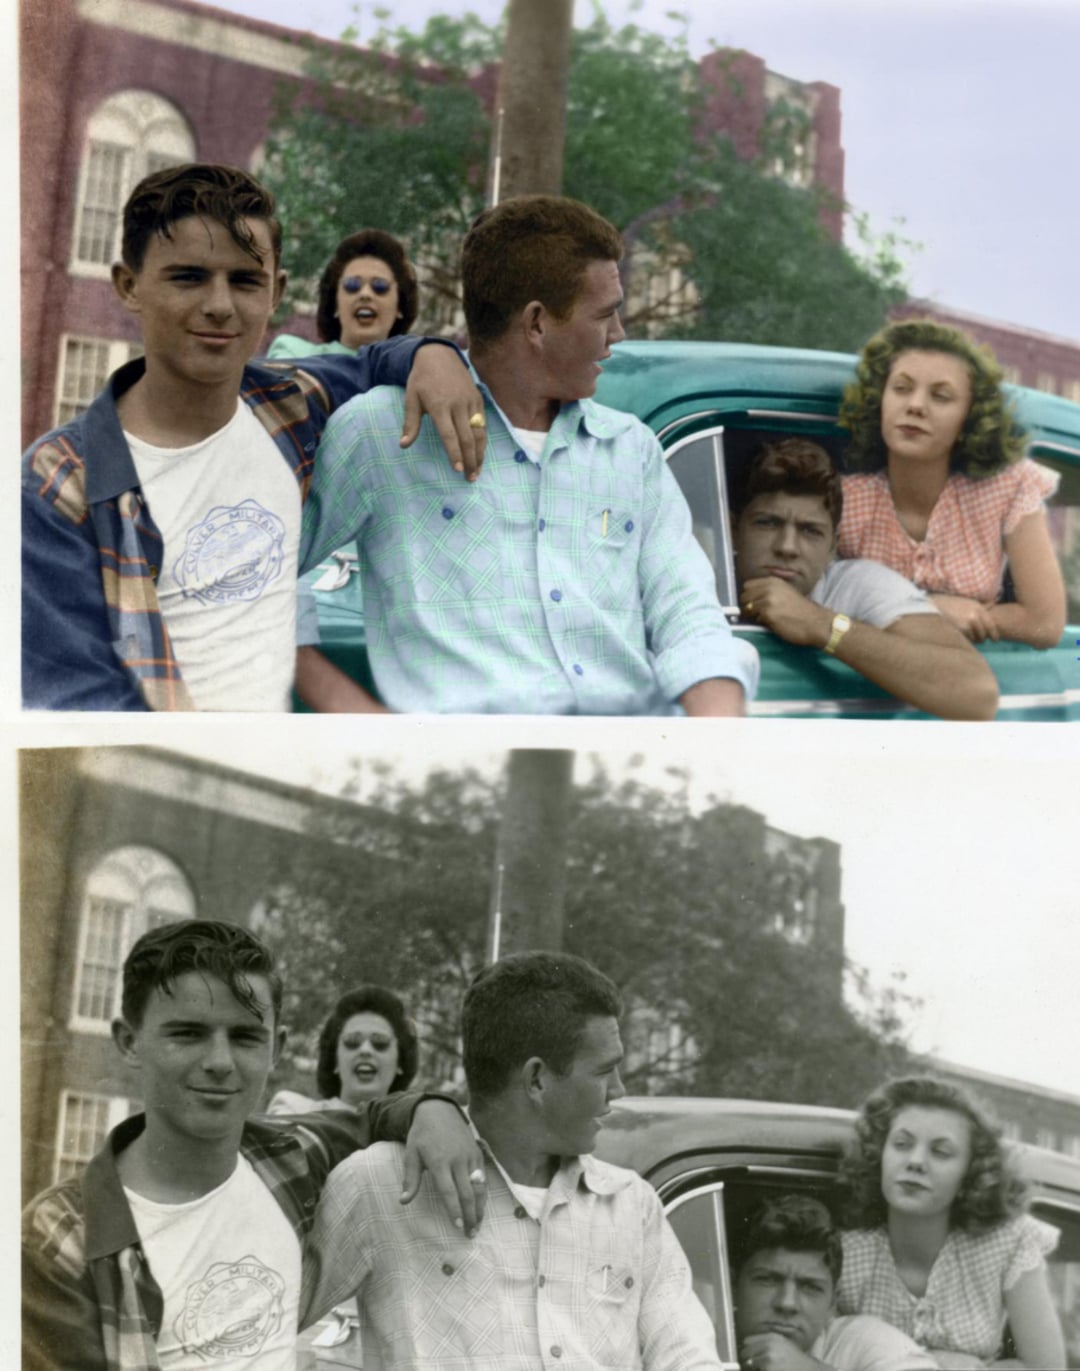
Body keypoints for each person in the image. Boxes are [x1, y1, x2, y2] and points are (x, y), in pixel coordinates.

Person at [21, 164, 484, 712]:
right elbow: (79, 709)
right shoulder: (58, 484)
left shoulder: (287, 401)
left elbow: (371, 362)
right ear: (129, 286)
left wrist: (432, 354)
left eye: (245, 281)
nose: (220, 305)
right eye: (188, 277)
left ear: (276, 292)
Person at [301, 194, 759, 715]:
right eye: (605, 314)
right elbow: (256, 577)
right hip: (466, 761)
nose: (618, 334)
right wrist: (359, 717)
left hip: (628, 754)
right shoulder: (383, 431)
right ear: (537, 323)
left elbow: (687, 614)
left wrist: (718, 739)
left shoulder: (631, 450)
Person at [21, 920, 485, 1371]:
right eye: (188, 1034)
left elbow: (368, 1118)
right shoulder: (58, 1238)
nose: (220, 1062)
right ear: (129, 1042)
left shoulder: (287, 1155)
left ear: (276, 1047)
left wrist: (431, 1109)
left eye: (245, 1037)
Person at [302, 951, 723, 1369]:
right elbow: (269, 1316)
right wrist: (417, 1108)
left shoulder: (633, 1205)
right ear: (536, 1079)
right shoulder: (382, 1183)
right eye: (603, 1071)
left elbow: (688, 1358)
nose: (618, 1090)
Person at [837, 319, 1066, 649]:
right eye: (901, 388)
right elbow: (816, 603)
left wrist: (961, 617)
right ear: (880, 401)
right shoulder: (846, 500)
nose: (915, 405)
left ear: (967, 420)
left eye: (941, 396)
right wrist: (930, 610)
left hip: (976, 672)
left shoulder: (1007, 489)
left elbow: (1045, 623)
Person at [733, 438, 999, 720]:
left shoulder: (855, 583)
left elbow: (978, 694)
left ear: (832, 546)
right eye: (768, 523)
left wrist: (820, 623)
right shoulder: (704, 586)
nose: (787, 547)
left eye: (810, 531)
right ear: (734, 531)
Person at [836, 1075, 1066, 1369]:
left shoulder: (1008, 1244)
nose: (915, 1161)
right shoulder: (847, 1250)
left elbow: (1047, 1368)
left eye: (940, 1152)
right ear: (879, 1155)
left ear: (969, 1174)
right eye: (902, 1144)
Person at [733, 1194, 938, 1371]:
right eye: (767, 1280)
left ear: (832, 1302)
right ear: (732, 1288)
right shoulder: (712, 1343)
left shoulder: (860, 1341)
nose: (787, 1303)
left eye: (810, 1287)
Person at [268, 227, 419, 359]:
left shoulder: (414, 371)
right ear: (335, 304)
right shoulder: (295, 354)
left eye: (379, 286)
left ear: (400, 306)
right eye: (352, 285)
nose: (365, 294)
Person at [268, 984, 418, 1114]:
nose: (365, 1050)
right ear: (335, 1060)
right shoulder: (295, 1111)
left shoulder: (415, 1127)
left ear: (400, 1062)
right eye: (352, 1042)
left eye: (380, 1043)